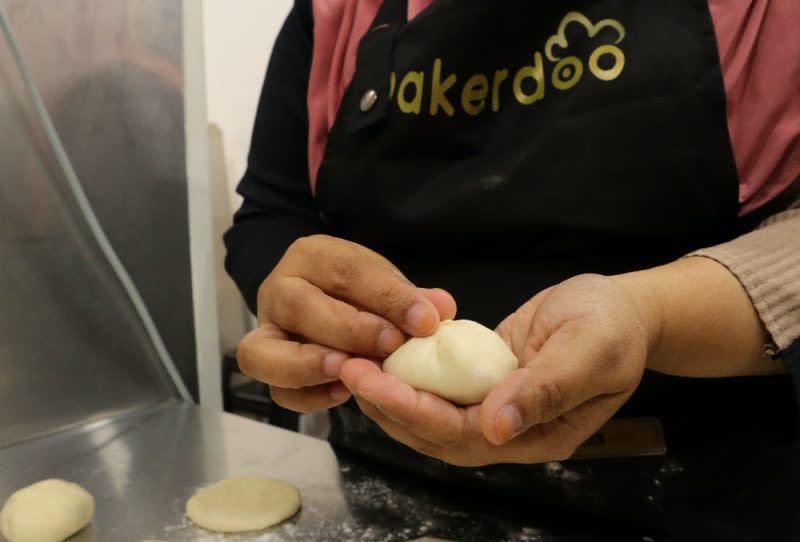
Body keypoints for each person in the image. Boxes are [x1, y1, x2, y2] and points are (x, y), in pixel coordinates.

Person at [225, 1, 800, 536]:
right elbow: (273, 212)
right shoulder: (339, 9)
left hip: (703, 492)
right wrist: (307, 304)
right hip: (392, 474)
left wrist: (651, 316)